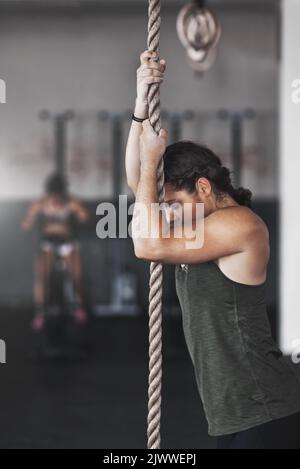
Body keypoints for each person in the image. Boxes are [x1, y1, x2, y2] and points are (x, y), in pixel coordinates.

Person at [125, 50, 300, 449]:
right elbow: (138, 182)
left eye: (174, 202)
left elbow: (147, 243)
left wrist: (154, 156)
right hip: (231, 412)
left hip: (266, 408)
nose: (168, 212)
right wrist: (140, 105)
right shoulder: (196, 222)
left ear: (203, 187)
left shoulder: (239, 225)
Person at [22, 173, 89, 331]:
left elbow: (86, 219)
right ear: (49, 193)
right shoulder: (42, 203)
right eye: (53, 195)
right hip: (48, 244)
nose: (56, 198)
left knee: (77, 277)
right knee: (41, 277)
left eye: (58, 195)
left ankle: (78, 307)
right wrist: (32, 214)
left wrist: (79, 210)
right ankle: (40, 313)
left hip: (67, 243)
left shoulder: (71, 202)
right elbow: (25, 226)